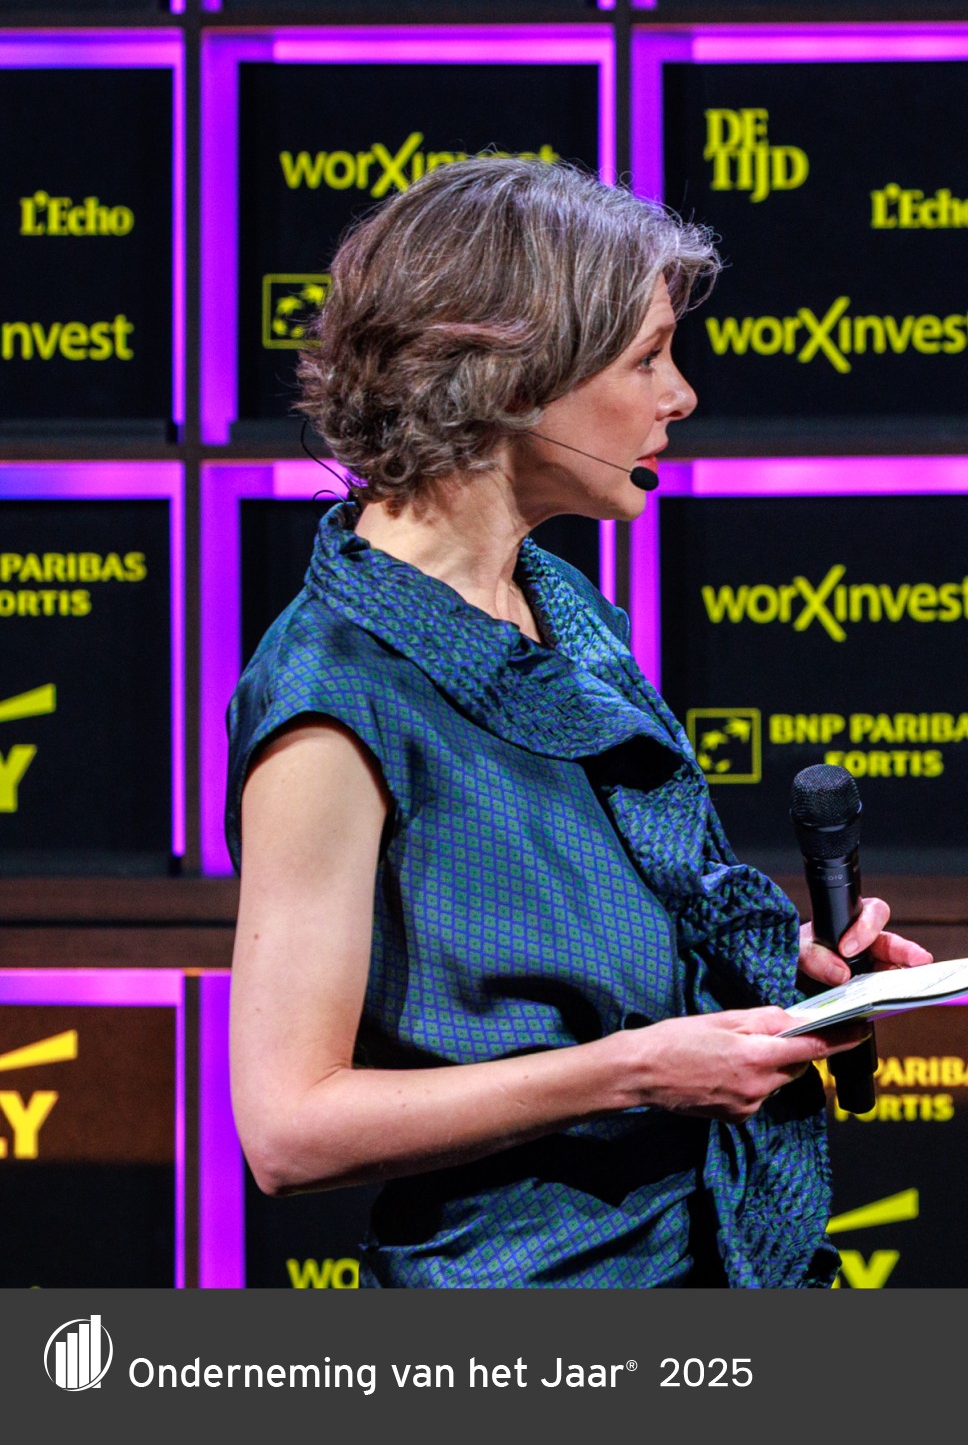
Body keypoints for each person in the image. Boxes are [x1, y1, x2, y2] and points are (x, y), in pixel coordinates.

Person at [226, 157, 929, 1288]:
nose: (680, 396)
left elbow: (618, 972)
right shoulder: (334, 690)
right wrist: (638, 1071)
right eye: (646, 357)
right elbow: (289, 1129)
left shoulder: (563, 611)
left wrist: (778, 990)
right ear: (512, 377)